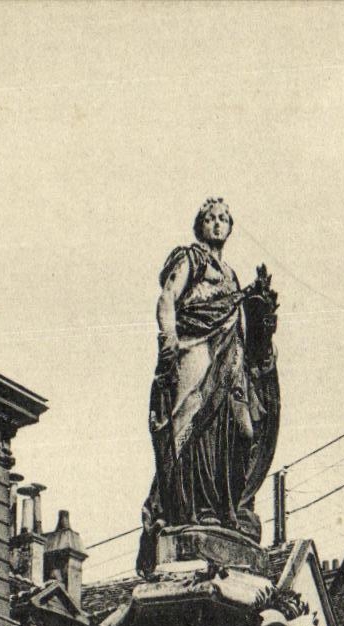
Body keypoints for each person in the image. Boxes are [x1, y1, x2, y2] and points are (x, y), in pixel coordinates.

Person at [139, 198, 279, 570]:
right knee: (194, 422)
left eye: (223, 219)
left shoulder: (231, 275)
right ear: (199, 225)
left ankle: (224, 507)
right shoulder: (190, 259)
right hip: (196, 346)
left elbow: (246, 323)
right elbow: (168, 297)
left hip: (229, 354)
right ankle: (194, 510)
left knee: (242, 431)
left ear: (230, 227)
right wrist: (168, 338)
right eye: (210, 218)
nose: (217, 224)